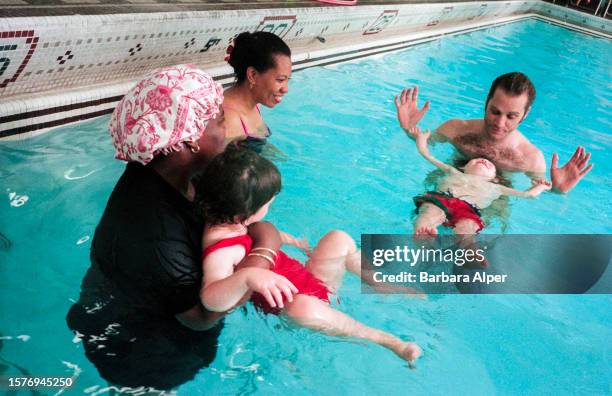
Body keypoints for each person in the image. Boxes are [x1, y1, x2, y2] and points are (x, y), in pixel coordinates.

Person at [66, 64, 283, 391]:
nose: (225, 131)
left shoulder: (161, 169)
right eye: (219, 122)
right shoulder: (156, 235)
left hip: (118, 301)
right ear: (189, 141)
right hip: (146, 352)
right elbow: (200, 318)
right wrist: (264, 251)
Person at [195, 145, 422, 366]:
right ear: (240, 215)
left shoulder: (229, 221)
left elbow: (256, 229)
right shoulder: (222, 251)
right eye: (267, 205)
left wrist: (293, 241)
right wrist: (248, 276)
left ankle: (380, 283)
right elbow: (211, 299)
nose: (269, 208)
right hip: (298, 304)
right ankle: (388, 341)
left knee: (338, 238)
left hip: (310, 281)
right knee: (302, 308)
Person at [395, 72, 593, 193]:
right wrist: (408, 130)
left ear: (525, 114)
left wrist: (557, 191)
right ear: (486, 101)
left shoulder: (530, 159)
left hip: (492, 198)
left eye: (511, 116)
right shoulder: (456, 129)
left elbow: (536, 190)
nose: (499, 123)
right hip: (446, 183)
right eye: (495, 111)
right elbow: (425, 145)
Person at [410, 126, 551, 237]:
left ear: (496, 178)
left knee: (468, 228)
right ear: (463, 166)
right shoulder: (454, 171)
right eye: (477, 160)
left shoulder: (496, 188)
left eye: (491, 165)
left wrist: (541, 187)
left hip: (468, 211)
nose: (484, 160)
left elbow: (527, 194)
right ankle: (423, 231)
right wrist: (421, 139)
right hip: (442, 200)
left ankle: (467, 249)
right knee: (429, 212)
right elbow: (427, 155)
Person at [223, 31, 291, 152]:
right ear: (252, 75)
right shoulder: (229, 120)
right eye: (280, 80)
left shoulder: (253, 104)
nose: (286, 89)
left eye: (287, 80)